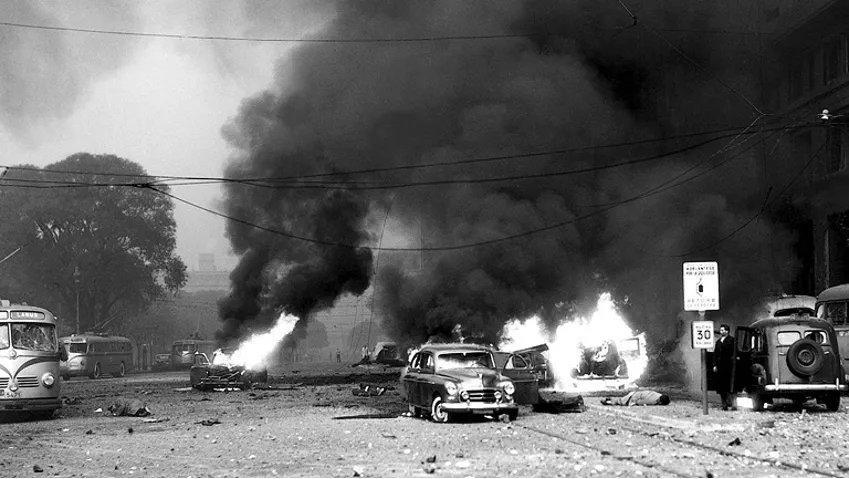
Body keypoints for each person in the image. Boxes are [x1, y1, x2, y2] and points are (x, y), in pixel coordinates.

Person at [713, 323, 737, 411]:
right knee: (721, 386)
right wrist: (714, 365)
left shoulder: (732, 340)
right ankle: (724, 404)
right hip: (720, 367)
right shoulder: (718, 342)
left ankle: (733, 404)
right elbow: (715, 354)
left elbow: (731, 352)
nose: (721, 331)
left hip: (729, 366)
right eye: (720, 330)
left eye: (722, 330)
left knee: (731, 386)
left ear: (727, 331)